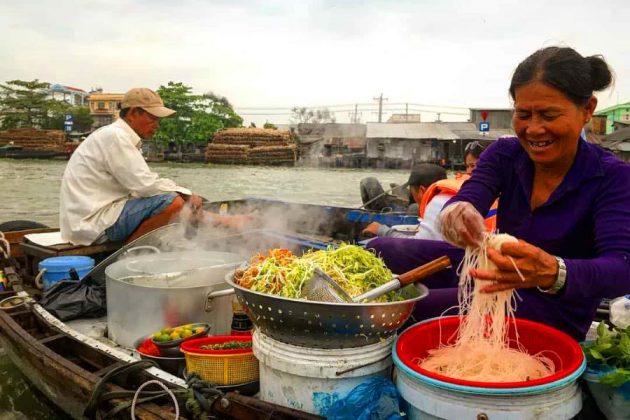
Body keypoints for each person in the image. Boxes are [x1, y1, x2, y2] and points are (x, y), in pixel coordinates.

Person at [371, 46, 630, 341]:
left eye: (548, 114)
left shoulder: (612, 176)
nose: (533, 129)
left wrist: (554, 271)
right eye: (523, 114)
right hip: (494, 271)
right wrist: (458, 212)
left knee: (413, 309)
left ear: (587, 110)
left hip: (552, 307)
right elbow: (471, 194)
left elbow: (621, 267)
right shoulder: (507, 154)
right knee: (382, 249)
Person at [60, 87, 248, 245]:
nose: (157, 125)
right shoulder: (116, 137)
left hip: (89, 219)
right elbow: (145, 186)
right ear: (134, 113)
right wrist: (186, 194)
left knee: (178, 201)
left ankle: (230, 221)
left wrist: (185, 195)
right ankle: (127, 255)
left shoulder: (116, 136)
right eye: (153, 119)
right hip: (92, 222)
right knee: (171, 202)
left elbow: (141, 184)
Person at [361, 164, 447, 240]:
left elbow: (418, 244)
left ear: (421, 190)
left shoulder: (434, 208)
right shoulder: (449, 200)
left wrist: (382, 230)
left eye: (412, 190)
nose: (411, 193)